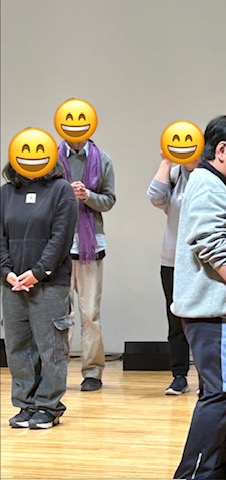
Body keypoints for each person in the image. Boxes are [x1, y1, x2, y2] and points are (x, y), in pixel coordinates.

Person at [172, 115, 226, 480]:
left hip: (213, 313)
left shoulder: (212, 183)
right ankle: (192, 475)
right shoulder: (208, 187)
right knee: (220, 395)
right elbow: (210, 244)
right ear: (222, 150)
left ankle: (218, 468)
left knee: (217, 392)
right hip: (216, 314)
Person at [1, 161, 78, 429]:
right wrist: (6, 272)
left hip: (50, 284)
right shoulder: (6, 192)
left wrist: (38, 272)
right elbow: (0, 238)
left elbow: (60, 238)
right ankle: (26, 405)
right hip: (13, 285)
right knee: (18, 347)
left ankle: (48, 406)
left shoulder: (61, 190)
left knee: (51, 347)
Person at [57, 138, 116, 391]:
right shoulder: (51, 157)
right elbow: (45, 198)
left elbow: (109, 200)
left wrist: (87, 195)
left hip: (91, 246)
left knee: (90, 314)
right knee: (60, 315)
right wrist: (65, 194)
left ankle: (92, 372)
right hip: (58, 246)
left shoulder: (102, 159)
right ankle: (56, 372)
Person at [147, 153, 199, 395]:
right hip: (173, 260)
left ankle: (207, 378)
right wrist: (166, 162)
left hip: (203, 262)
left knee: (202, 322)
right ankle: (179, 376)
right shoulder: (175, 175)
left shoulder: (212, 176)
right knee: (175, 321)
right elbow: (155, 197)